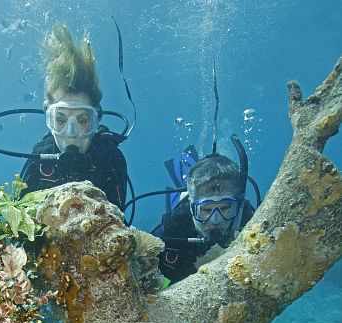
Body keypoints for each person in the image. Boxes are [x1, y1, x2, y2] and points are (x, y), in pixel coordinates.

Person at [21, 25, 128, 211]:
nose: (71, 134)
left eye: (82, 120)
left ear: (96, 120)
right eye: (61, 121)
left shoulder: (109, 159)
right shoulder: (38, 163)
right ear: (49, 119)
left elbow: (117, 220)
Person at [154, 152, 255, 285]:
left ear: (238, 206)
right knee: (176, 202)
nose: (216, 220)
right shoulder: (173, 227)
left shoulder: (248, 220)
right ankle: (183, 183)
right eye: (207, 210)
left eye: (224, 208)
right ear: (191, 208)